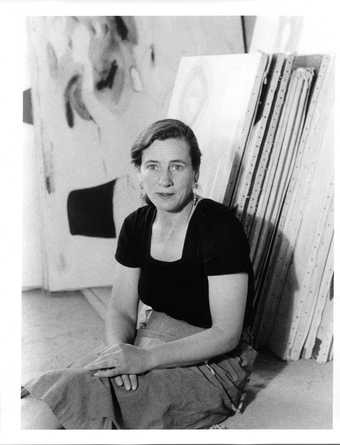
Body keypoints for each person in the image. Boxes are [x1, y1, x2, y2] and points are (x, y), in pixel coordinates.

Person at [21, 118, 257, 429]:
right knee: (46, 392)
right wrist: (122, 353)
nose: (165, 180)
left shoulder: (220, 227)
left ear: (195, 172)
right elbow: (120, 309)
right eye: (153, 166)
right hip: (149, 340)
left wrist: (145, 360)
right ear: (139, 172)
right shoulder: (136, 225)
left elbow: (226, 334)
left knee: (69, 399)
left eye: (177, 166)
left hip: (212, 365)